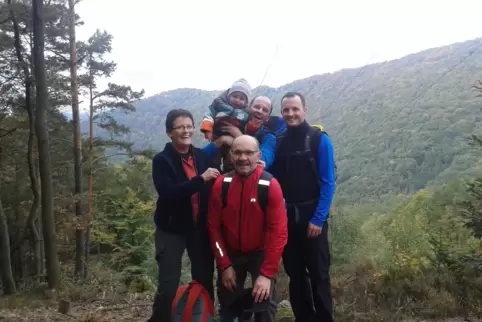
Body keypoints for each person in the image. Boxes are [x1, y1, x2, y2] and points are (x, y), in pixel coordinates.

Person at [148, 109, 220, 322]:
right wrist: (200, 180)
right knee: (168, 283)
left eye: (189, 126)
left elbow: (219, 179)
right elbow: (169, 193)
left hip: (199, 229)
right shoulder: (162, 160)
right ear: (170, 132)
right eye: (180, 127)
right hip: (171, 230)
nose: (186, 131)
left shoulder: (202, 156)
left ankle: (203, 317)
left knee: (205, 279)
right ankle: (160, 319)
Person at [270, 92, 336, 322]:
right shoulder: (278, 140)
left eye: (295, 109)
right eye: (286, 110)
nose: (290, 113)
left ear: (304, 111)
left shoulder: (318, 138)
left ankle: (325, 318)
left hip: (312, 216)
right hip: (287, 219)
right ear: (282, 112)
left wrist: (318, 219)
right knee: (295, 275)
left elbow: (328, 182)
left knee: (319, 274)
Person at [207, 135, 288, 322]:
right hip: (231, 252)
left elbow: (279, 233)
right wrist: (224, 263)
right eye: (237, 152)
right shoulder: (222, 184)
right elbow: (213, 227)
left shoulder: (269, 185)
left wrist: (266, 274)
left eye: (249, 153)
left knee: (264, 305)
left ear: (258, 155)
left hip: (261, 252)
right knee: (229, 306)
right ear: (230, 155)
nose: (243, 158)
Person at [202, 96, 280, 170]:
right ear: (248, 109)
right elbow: (200, 156)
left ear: (268, 118)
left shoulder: (268, 137)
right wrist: (221, 140)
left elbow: (263, 159)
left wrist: (239, 137)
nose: (260, 111)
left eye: (265, 110)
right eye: (256, 107)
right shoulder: (232, 124)